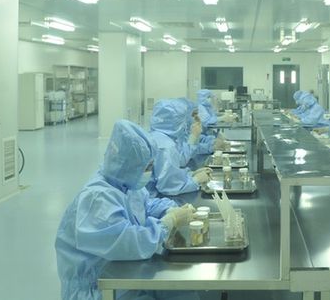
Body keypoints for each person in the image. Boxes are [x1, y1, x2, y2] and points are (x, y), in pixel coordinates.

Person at [55, 120, 196, 300]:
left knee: (184, 291)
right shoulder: (97, 199)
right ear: (130, 166)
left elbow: (145, 205)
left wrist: (171, 209)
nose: (150, 172)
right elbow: (130, 242)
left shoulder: (125, 182)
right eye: (147, 167)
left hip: (122, 274)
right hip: (98, 289)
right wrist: (167, 224)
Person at [146, 99, 213, 197]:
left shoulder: (157, 136)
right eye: (183, 119)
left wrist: (189, 175)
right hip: (156, 197)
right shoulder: (166, 147)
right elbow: (169, 186)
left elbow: (170, 169)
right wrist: (196, 180)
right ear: (176, 121)